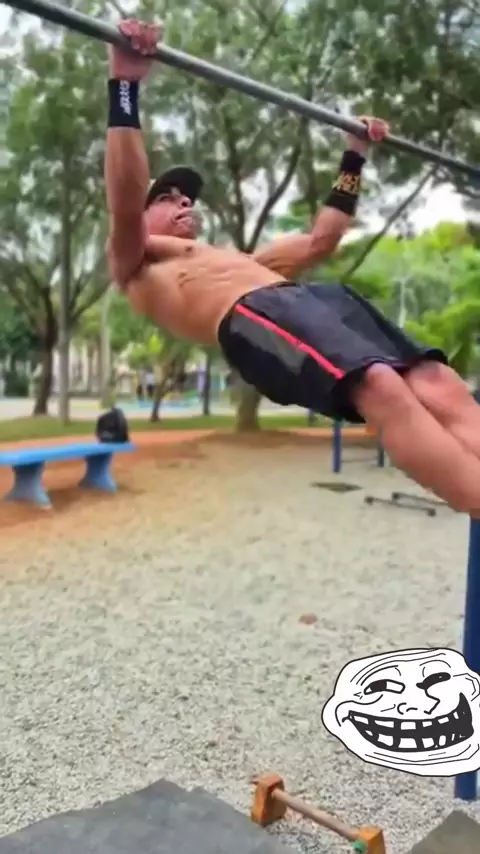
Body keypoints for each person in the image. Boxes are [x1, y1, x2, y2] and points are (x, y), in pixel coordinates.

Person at [105, 18, 480, 515]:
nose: (184, 202)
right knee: (382, 386)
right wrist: (125, 87)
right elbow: (125, 198)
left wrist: (354, 157)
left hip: (306, 301)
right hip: (251, 316)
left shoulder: (239, 259)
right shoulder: (135, 262)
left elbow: (324, 239)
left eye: (187, 197)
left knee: (435, 379)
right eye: (167, 197)